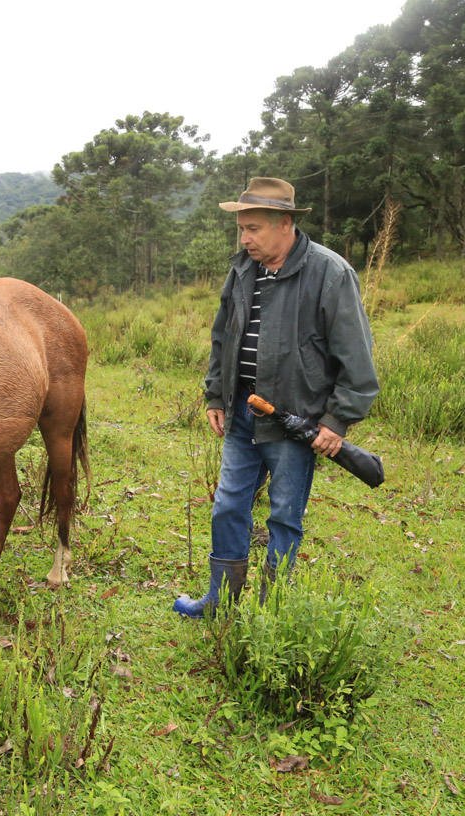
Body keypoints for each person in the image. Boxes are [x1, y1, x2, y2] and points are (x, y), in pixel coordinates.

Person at [173, 178, 379, 618]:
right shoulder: (243, 269)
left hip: (294, 419)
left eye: (253, 229)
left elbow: (357, 360)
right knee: (228, 505)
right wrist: (215, 394)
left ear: (284, 223)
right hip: (243, 411)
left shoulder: (330, 272)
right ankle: (220, 603)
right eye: (241, 229)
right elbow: (222, 337)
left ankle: (272, 610)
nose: (244, 238)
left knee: (284, 514)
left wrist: (337, 421)